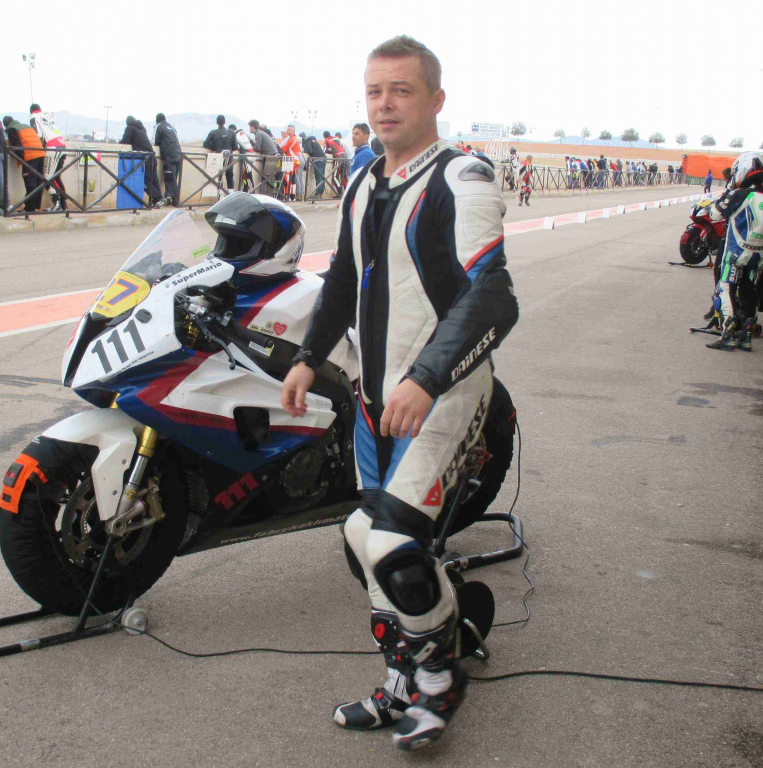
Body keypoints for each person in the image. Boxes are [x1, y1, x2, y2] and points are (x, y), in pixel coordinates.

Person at [280, 34, 518, 751]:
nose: (384, 104)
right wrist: (308, 358)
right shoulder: (362, 181)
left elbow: (493, 297)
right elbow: (342, 281)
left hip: (442, 394)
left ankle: (440, 679)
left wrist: (425, 378)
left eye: (402, 90)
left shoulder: (463, 177)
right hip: (374, 399)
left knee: (389, 541)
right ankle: (401, 681)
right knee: (366, 540)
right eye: (374, 91)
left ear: (436, 99)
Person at [706, 153, 763, 352]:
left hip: (735, 252)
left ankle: (727, 336)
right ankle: (746, 337)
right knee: (749, 291)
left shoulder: (739, 195)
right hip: (758, 255)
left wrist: (727, 192)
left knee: (725, 288)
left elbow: (715, 213)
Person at [30, 104, 68, 211]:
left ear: (31, 111)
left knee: (46, 178)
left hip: (52, 148)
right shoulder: (48, 117)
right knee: (56, 177)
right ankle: (63, 205)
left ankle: (57, 204)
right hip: (62, 146)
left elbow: (38, 135)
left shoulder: (34, 117)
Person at [3, 115, 45, 212]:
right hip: (41, 153)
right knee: (39, 181)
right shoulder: (27, 126)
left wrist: (21, 160)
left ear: (5, 125)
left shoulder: (12, 129)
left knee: (30, 183)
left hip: (29, 157)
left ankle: (30, 208)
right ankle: (36, 206)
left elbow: (18, 147)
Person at [121, 116, 165, 207]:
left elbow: (125, 141)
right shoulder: (142, 128)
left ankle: (158, 198)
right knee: (154, 179)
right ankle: (158, 200)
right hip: (152, 155)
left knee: (144, 180)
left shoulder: (130, 128)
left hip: (145, 158)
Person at [202, 115, 238, 192]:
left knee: (219, 177)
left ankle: (220, 194)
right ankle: (230, 194)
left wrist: (214, 147)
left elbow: (205, 144)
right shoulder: (231, 133)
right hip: (229, 158)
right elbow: (235, 146)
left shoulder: (213, 132)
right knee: (229, 176)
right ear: (225, 122)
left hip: (218, 158)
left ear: (217, 123)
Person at [154, 113, 182, 205]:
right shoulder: (171, 127)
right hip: (179, 155)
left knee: (169, 179)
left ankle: (176, 201)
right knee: (173, 178)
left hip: (169, 156)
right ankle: (168, 196)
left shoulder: (159, 126)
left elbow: (156, 142)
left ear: (157, 120)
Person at [281, 124, 304, 201]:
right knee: (293, 178)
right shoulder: (295, 139)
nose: (287, 131)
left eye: (289, 130)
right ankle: (292, 196)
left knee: (287, 178)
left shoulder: (291, 139)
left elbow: (283, 149)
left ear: (293, 131)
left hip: (290, 160)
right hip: (296, 160)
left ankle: (287, 196)